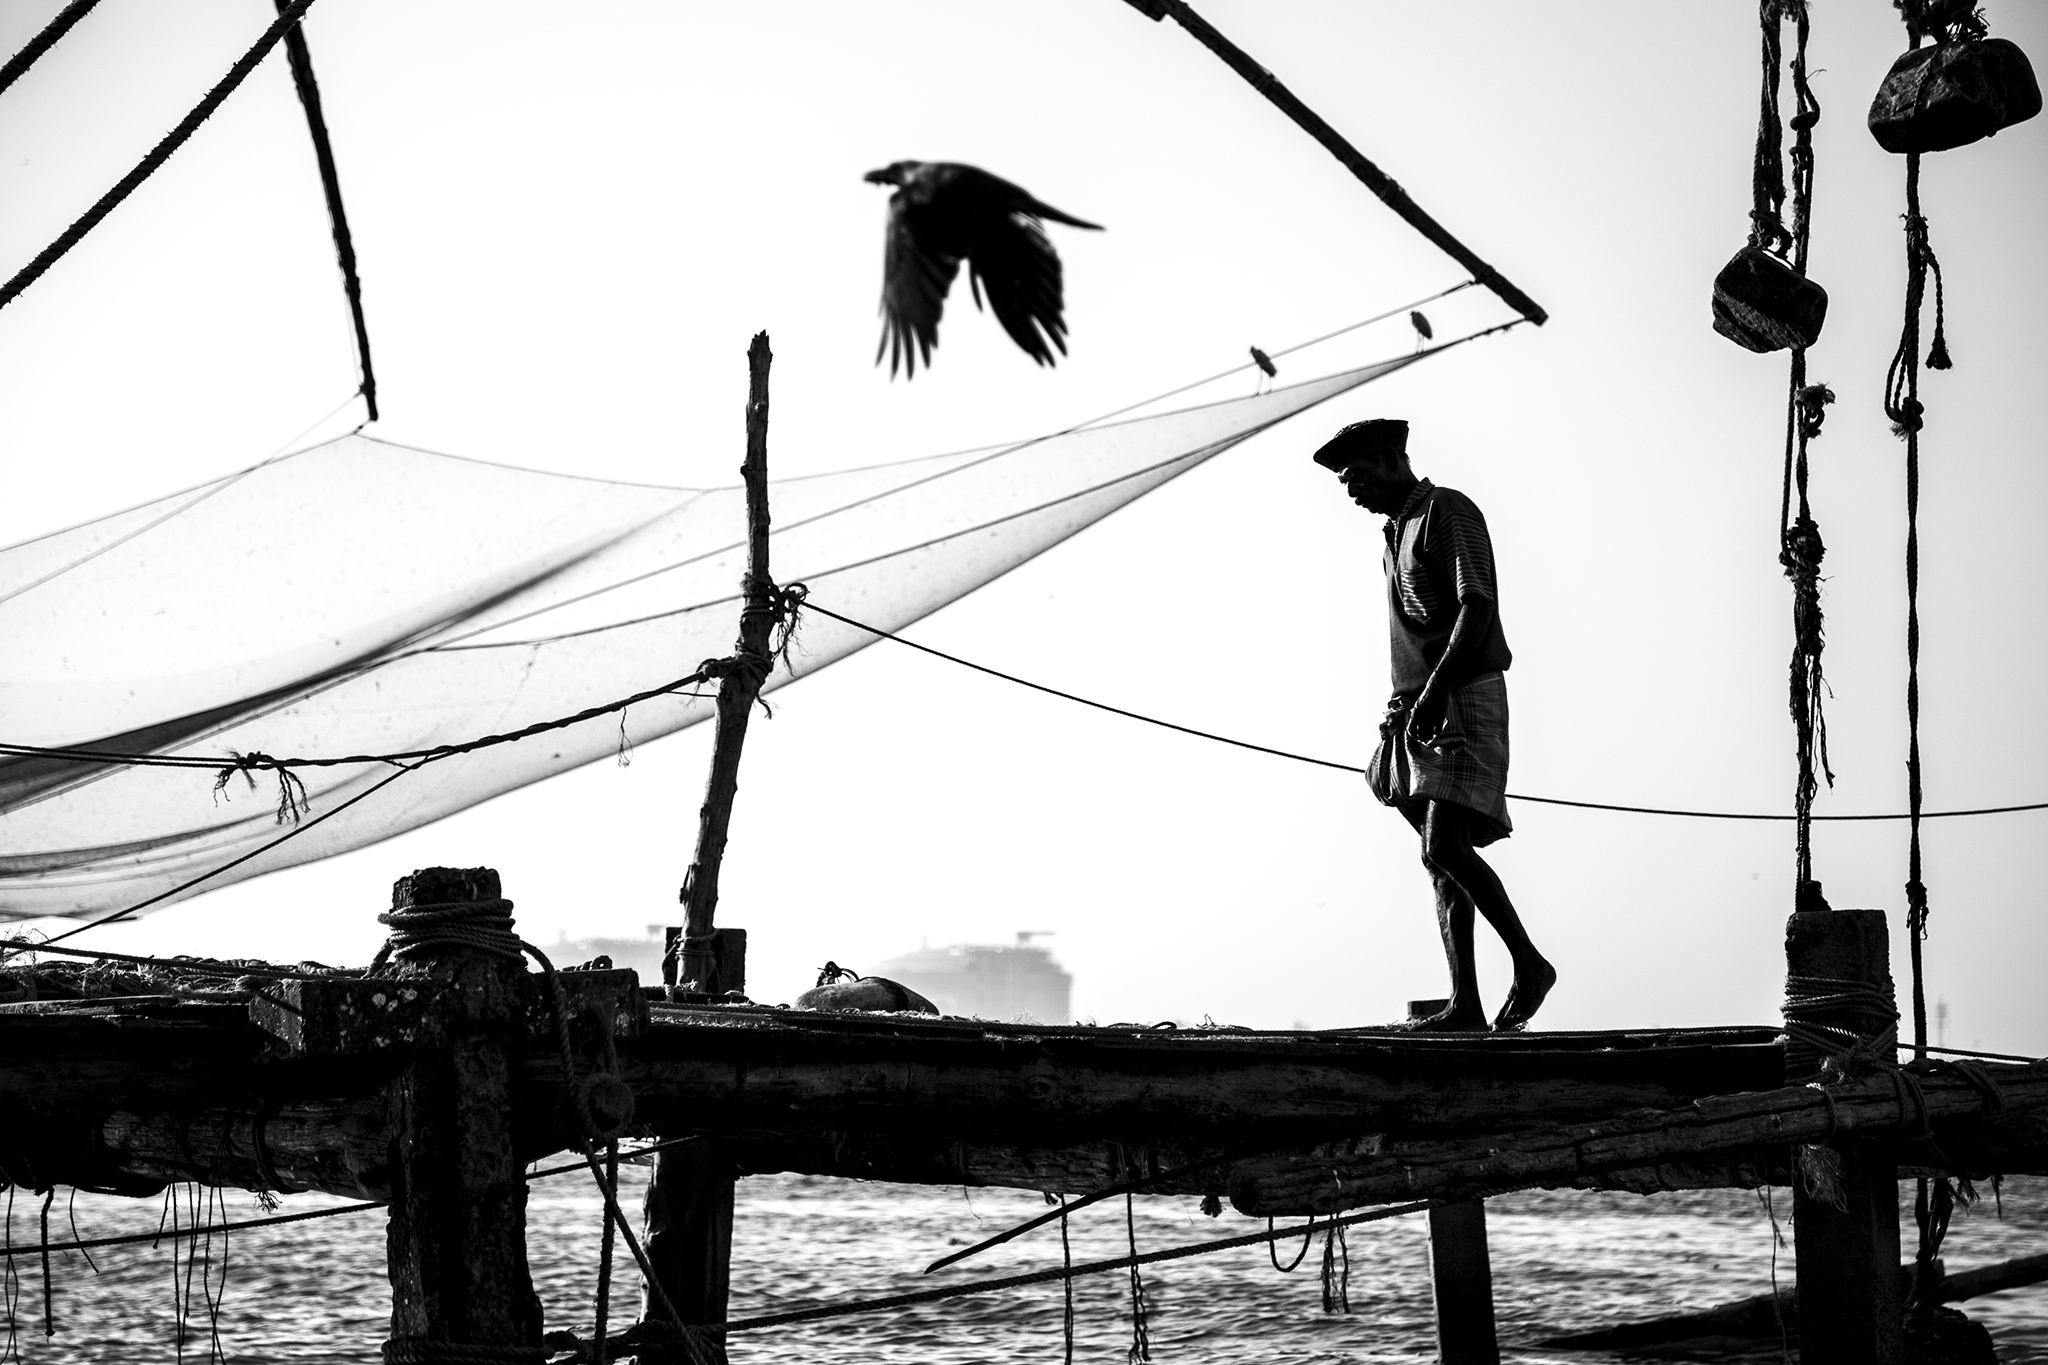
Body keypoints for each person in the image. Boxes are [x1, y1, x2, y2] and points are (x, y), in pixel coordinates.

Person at [1313, 418, 1555, 1032]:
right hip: (1416, 708)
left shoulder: (1448, 510)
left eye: (1358, 476)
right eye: (1344, 483)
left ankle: (1529, 965)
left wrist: (1439, 688)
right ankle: (1465, 1004)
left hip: (1462, 695)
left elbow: (1478, 604)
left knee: (1444, 843)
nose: (1351, 492)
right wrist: (1408, 700)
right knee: (1437, 859)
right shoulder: (1393, 534)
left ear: (1393, 459)